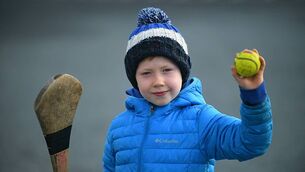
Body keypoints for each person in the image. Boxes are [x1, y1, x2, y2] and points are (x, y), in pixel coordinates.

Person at [103, 7, 272, 172]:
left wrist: (254, 95)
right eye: (146, 73)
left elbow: (251, 142)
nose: (158, 81)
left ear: (182, 73)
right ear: (135, 79)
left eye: (167, 70)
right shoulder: (119, 127)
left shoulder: (201, 120)